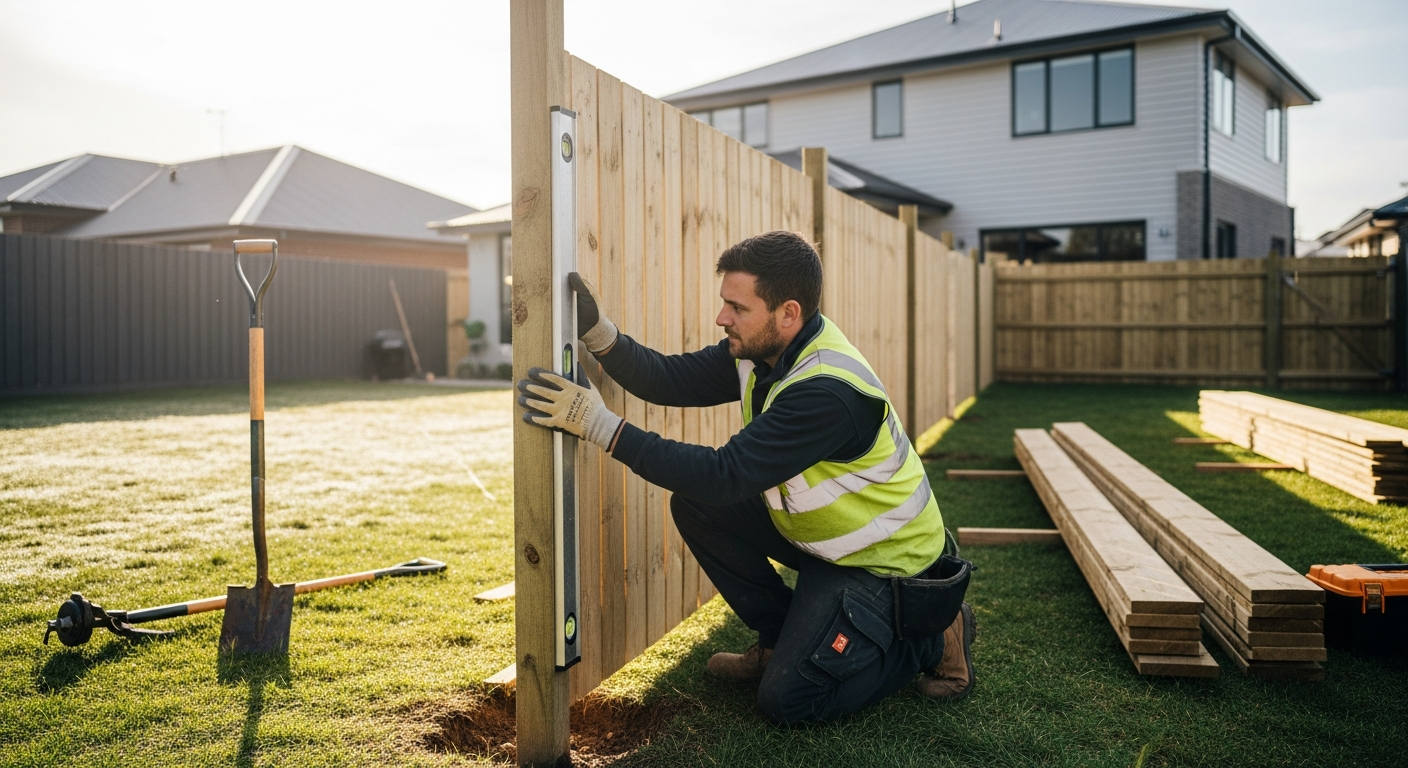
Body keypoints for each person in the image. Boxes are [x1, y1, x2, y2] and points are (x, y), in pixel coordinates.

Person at [516, 230, 974, 724]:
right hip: (827, 544)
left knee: (790, 702)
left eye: (737, 308)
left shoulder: (827, 392)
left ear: (788, 313)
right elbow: (668, 379)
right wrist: (597, 331)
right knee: (696, 505)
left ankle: (933, 633)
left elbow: (723, 475)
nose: (722, 318)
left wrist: (598, 424)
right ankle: (781, 640)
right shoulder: (766, 353)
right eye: (724, 304)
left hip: (883, 564)